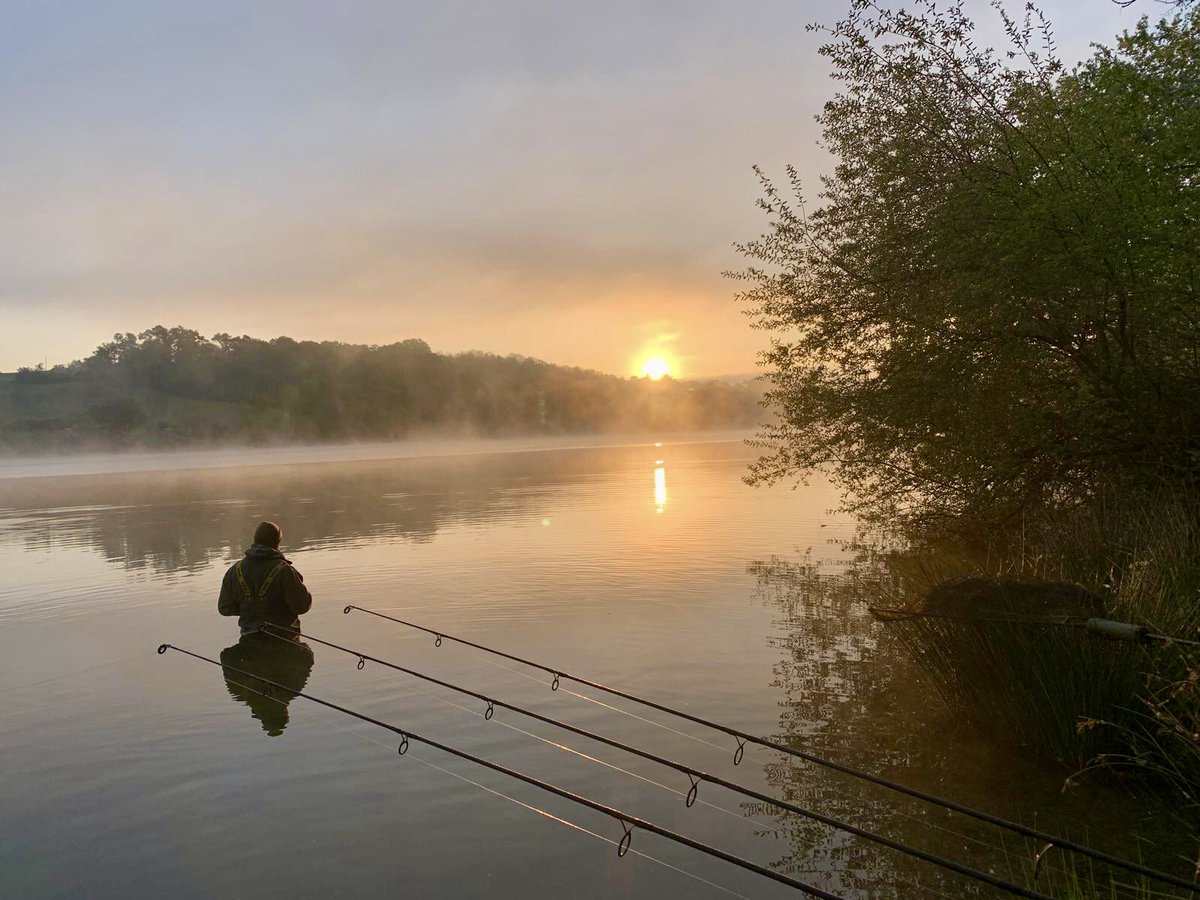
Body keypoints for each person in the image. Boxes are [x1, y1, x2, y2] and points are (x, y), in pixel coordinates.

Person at [218, 521, 312, 635]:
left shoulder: (234, 570)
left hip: (249, 639)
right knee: (306, 653)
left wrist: (249, 609)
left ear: (255, 540)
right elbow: (302, 606)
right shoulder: (285, 571)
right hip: (285, 640)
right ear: (277, 542)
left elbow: (224, 608)